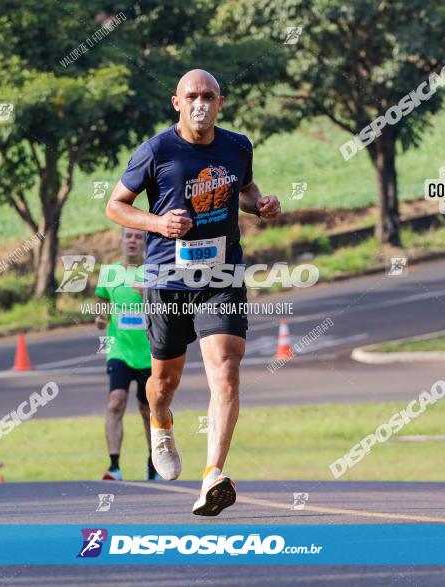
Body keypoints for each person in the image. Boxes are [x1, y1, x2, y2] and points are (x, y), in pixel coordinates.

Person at [106, 69, 282, 515]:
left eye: (209, 95)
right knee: (163, 384)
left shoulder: (237, 146)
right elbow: (115, 206)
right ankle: (161, 425)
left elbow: (243, 189)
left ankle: (212, 477)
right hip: (168, 279)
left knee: (226, 366)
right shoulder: (156, 150)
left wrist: (260, 205)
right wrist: (158, 223)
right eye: (192, 95)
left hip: (221, 276)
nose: (201, 102)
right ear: (176, 102)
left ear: (220, 102)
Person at [95, 227, 160, 481]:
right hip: (119, 350)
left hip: (148, 353)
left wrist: (149, 295)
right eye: (128, 236)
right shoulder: (109, 273)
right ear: (121, 240)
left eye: (138, 237)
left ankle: (153, 464)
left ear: (145, 243)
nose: (132, 241)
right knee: (115, 402)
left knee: (148, 410)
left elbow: (170, 310)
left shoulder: (154, 273)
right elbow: (102, 305)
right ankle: (114, 466)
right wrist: (101, 318)